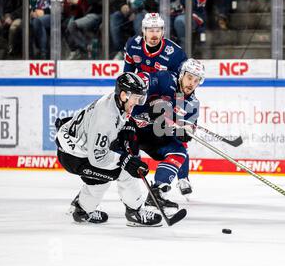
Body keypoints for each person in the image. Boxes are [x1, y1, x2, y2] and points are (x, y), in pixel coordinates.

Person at [55, 72, 162, 226]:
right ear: (124, 94)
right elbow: (97, 157)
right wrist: (125, 160)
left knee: (107, 173)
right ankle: (135, 213)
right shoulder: (106, 117)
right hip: (73, 156)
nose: (138, 102)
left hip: (76, 147)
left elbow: (118, 123)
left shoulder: (116, 100)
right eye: (136, 98)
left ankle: (82, 211)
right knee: (122, 171)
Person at [130, 58, 205, 210]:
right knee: (116, 167)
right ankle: (83, 202)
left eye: (196, 80)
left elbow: (189, 129)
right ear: (182, 74)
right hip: (133, 130)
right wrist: (151, 105)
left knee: (179, 151)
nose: (192, 83)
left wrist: (185, 132)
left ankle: (157, 192)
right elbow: (142, 80)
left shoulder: (192, 104)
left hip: (155, 137)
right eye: (189, 77)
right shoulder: (166, 78)